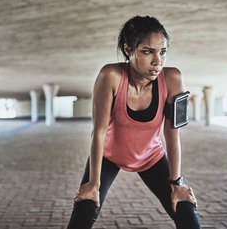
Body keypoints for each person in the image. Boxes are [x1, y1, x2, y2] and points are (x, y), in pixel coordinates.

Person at [67, 15, 201, 229]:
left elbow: (172, 134)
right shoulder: (110, 75)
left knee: (186, 211)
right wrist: (93, 183)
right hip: (109, 155)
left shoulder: (173, 78)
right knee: (84, 210)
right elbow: (99, 132)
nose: (157, 61)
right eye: (147, 52)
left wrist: (177, 183)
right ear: (128, 50)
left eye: (163, 51)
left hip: (152, 156)